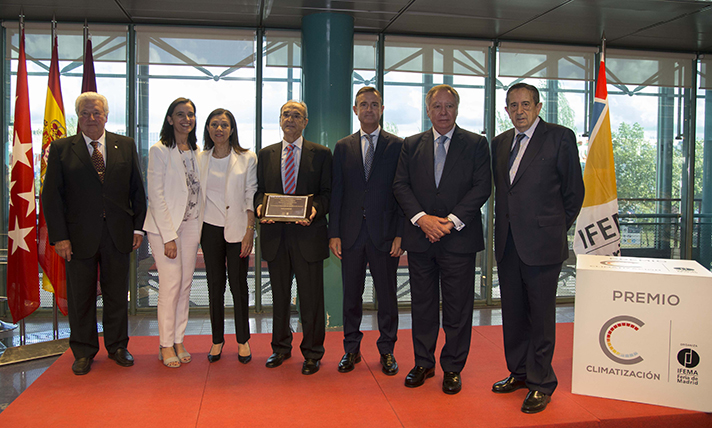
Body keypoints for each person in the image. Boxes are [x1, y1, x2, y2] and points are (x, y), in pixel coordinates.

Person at [490, 83, 584, 413]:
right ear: (506, 110)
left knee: (541, 317)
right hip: (508, 244)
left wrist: (554, 228)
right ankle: (519, 372)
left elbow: (574, 193)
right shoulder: (500, 143)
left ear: (539, 106)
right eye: (513, 105)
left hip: (542, 245)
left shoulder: (559, 137)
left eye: (526, 104)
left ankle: (542, 382)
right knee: (513, 313)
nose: (519, 110)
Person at [393, 84, 491, 395]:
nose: (443, 112)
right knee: (422, 305)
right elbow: (400, 185)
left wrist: (450, 222)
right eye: (437, 107)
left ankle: (452, 367)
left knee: (457, 307)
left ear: (457, 110)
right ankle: (423, 362)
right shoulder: (410, 145)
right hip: (421, 239)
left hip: (458, 240)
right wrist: (422, 219)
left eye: (449, 106)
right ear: (428, 110)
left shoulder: (476, 144)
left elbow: (482, 186)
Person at [42, 92, 146, 375]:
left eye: (96, 113)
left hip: (118, 234)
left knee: (116, 294)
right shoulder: (63, 148)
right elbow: (51, 197)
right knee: (81, 297)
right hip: (77, 238)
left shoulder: (124, 145)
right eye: (85, 113)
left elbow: (137, 191)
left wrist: (138, 227)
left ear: (106, 115)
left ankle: (117, 347)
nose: (91, 118)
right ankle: (84, 351)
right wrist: (59, 237)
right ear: (78, 116)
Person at [329, 87, 403, 375]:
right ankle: (351, 349)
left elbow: (401, 192)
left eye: (374, 104)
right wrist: (334, 232)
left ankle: (387, 350)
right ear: (355, 110)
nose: (368, 109)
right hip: (350, 234)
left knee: (386, 296)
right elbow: (337, 193)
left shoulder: (397, 146)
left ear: (382, 109)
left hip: (385, 234)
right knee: (351, 296)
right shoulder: (343, 146)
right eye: (363, 105)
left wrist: (400, 233)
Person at [255, 100, 331, 375]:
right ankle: (280, 348)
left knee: (311, 300)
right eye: (286, 114)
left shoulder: (321, 154)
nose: (291, 119)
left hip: (308, 237)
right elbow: (259, 191)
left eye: (297, 115)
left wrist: (314, 209)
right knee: (279, 298)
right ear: (279, 119)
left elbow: (327, 194)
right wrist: (260, 207)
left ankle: (312, 353)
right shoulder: (266, 155)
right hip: (276, 237)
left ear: (305, 122)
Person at [143, 98, 202, 368]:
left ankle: (179, 339)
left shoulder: (196, 150)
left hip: (191, 225)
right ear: (170, 119)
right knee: (170, 286)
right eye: (180, 114)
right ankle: (165, 344)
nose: (186, 119)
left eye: (190, 114)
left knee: (185, 285)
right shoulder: (159, 150)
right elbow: (155, 195)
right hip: (164, 228)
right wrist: (168, 236)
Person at [198, 108, 257, 364]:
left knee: (238, 285)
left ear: (232, 129)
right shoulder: (199, 158)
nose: (219, 129)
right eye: (214, 125)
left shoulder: (247, 157)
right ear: (208, 129)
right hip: (209, 228)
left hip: (237, 228)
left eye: (224, 124)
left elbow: (250, 196)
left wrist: (249, 231)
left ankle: (243, 340)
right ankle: (217, 340)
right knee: (214, 286)